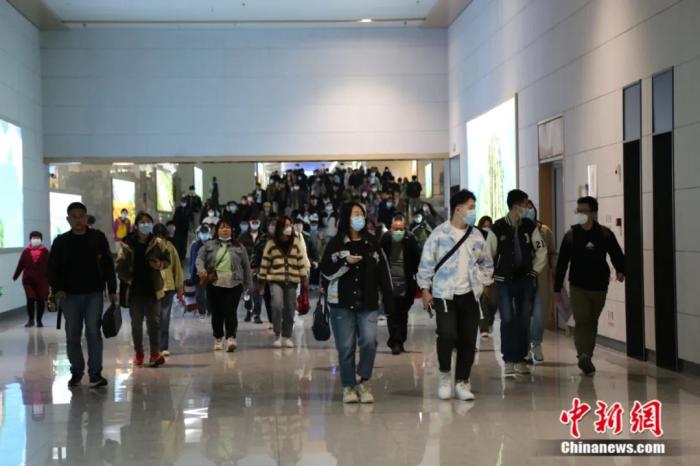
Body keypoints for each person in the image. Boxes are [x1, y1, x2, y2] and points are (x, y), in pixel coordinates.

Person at [417, 190, 494, 401]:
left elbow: (487, 263)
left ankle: (462, 381)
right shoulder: (439, 234)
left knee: (468, 340)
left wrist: (483, 282)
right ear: (458, 208)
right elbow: (426, 263)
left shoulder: (476, 235)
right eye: (471, 207)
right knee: (447, 334)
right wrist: (425, 289)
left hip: (469, 294)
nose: (473, 211)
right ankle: (444, 375)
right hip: (444, 293)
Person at [321, 202, 394, 404]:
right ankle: (349, 386)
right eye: (355, 214)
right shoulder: (336, 244)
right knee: (346, 347)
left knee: (369, 341)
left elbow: (384, 272)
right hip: (341, 303)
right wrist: (345, 262)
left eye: (361, 213)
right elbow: (325, 271)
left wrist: (389, 301)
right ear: (346, 217)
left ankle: (363, 379)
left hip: (368, 302)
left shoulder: (372, 243)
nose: (359, 217)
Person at [48, 202, 117, 389]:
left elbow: (108, 264)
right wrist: (57, 289)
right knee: (73, 334)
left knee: (93, 332)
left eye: (81, 216)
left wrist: (112, 289)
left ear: (86, 218)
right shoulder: (61, 242)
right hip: (69, 296)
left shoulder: (97, 238)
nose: (78, 220)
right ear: (68, 219)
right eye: (74, 216)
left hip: (94, 293)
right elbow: (52, 269)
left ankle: (95, 374)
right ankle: (76, 371)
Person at [554, 196, 625, 375]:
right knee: (582, 318)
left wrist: (621, 270)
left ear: (593, 213)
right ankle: (582, 355)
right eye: (578, 211)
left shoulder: (604, 234)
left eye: (584, 211)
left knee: (592, 321)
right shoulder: (571, 235)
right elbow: (562, 263)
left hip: (599, 286)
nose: (580, 214)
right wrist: (557, 287)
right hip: (578, 286)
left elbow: (616, 254)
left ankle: (587, 355)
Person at [486, 190, 547, 377]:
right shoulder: (498, 228)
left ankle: (521, 359)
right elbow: (488, 254)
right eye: (526, 204)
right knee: (507, 319)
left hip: (525, 280)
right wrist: (489, 277)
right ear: (516, 206)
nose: (528, 208)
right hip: (504, 281)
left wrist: (534, 271)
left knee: (523, 319)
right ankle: (508, 359)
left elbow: (541, 250)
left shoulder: (529, 226)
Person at [117, 212, 172, 368]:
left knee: (154, 324)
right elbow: (119, 266)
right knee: (136, 325)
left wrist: (159, 264)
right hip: (134, 291)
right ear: (136, 225)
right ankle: (139, 353)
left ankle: (155, 353)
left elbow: (167, 260)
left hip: (153, 289)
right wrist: (128, 278)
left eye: (148, 221)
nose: (146, 224)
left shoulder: (158, 243)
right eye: (142, 222)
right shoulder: (127, 243)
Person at [196, 219, 253, 352]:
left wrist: (248, 285)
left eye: (227, 227)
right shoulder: (208, 245)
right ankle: (218, 338)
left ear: (231, 230)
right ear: (217, 230)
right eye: (222, 227)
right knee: (217, 312)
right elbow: (199, 259)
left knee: (230, 311)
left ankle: (231, 337)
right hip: (214, 283)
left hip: (234, 283)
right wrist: (202, 271)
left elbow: (246, 266)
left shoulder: (239, 246)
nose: (225, 229)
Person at [258, 216, 309, 348]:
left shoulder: (296, 242)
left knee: (290, 308)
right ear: (280, 227)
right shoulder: (271, 243)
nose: (289, 228)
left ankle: (287, 336)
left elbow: (301, 260)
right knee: (276, 305)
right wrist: (262, 279)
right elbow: (265, 261)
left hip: (292, 279)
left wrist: (304, 278)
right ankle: (277, 334)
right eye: (286, 225)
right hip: (275, 279)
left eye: (290, 225)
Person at [380, 215, 420, 355]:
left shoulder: (411, 240)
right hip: (389, 284)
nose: (398, 232)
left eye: (401, 229)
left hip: (406, 283)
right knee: (392, 313)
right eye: (395, 229)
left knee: (402, 313)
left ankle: (400, 340)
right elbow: (380, 260)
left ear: (405, 229)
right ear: (391, 228)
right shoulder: (385, 240)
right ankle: (395, 342)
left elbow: (417, 260)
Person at [525, 201, 557, 362]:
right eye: (524, 208)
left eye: (530, 208)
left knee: (539, 315)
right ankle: (525, 348)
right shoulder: (516, 230)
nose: (528, 211)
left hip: (540, 280)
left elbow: (552, 253)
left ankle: (536, 344)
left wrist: (555, 270)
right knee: (523, 316)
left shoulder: (544, 231)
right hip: (522, 281)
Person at [153, 224, 184, 357]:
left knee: (165, 318)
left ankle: (163, 346)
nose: (159, 238)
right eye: (157, 235)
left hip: (168, 288)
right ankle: (155, 346)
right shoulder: (150, 248)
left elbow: (177, 268)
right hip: (153, 288)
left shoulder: (171, 248)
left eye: (161, 235)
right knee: (154, 319)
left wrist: (180, 287)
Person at [13, 231, 50, 327]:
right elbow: (20, 265)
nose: (35, 240)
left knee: (41, 300)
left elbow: (51, 267)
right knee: (30, 298)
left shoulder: (46, 252)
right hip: (28, 281)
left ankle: (39, 320)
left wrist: (53, 279)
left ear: (41, 240)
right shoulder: (26, 252)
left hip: (42, 281)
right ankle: (30, 320)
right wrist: (15, 276)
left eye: (37, 238)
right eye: (34, 238)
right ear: (30, 239)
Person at [238, 215, 267, 324]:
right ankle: (249, 310)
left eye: (256, 222)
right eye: (253, 222)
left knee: (258, 293)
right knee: (247, 292)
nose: (254, 224)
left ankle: (257, 315)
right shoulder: (242, 237)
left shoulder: (263, 237)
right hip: (246, 268)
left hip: (259, 268)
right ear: (250, 223)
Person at [476, 216, 497, 338]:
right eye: (484, 226)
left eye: (489, 226)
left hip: (493, 274)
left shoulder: (494, 239)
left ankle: (489, 321)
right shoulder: (476, 240)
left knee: (493, 302)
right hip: (479, 275)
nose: (486, 228)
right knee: (482, 300)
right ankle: (483, 327)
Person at [188, 225, 211, 318]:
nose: (204, 235)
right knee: (199, 295)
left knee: (210, 294)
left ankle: (210, 310)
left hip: (210, 273)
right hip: (198, 274)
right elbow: (192, 259)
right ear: (199, 234)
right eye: (202, 233)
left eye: (206, 233)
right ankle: (202, 312)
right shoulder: (195, 245)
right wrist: (191, 271)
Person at [172, 197, 191, 261]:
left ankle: (183, 255)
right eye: (182, 202)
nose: (183, 203)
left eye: (184, 202)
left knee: (184, 243)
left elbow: (189, 218)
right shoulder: (178, 209)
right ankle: (178, 255)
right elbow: (174, 218)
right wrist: (174, 225)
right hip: (178, 228)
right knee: (177, 242)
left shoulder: (188, 209)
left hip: (184, 229)